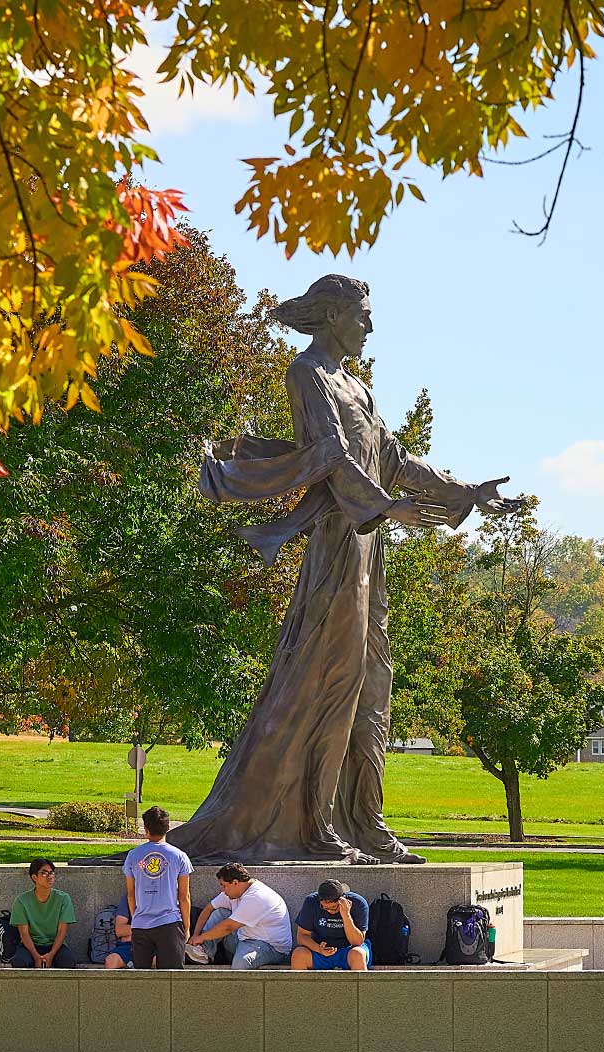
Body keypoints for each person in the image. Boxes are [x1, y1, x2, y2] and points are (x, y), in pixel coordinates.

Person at [166, 275, 526, 864]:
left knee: (371, 683)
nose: (370, 326)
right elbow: (330, 455)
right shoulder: (307, 374)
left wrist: (466, 491)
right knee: (332, 681)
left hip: (368, 547)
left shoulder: (357, 386)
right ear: (332, 316)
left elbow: (394, 459)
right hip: (340, 541)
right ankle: (313, 823)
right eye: (362, 314)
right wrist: (382, 505)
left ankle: (364, 819)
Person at [122, 805, 192, 968]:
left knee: (142, 979)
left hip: (140, 924)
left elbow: (130, 894)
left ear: (146, 829)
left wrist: (136, 918)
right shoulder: (179, 856)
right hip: (169, 924)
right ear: (168, 828)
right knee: (172, 980)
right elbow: (184, 896)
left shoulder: (133, 855)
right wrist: (186, 927)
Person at [187, 863, 293, 969]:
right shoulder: (234, 891)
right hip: (243, 937)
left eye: (224, 886)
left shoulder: (256, 897)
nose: (223, 890)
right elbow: (208, 909)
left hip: (270, 946)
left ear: (235, 883)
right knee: (220, 913)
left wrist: (201, 937)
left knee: (241, 963)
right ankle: (203, 952)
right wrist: (195, 936)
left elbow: (228, 927)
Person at [8, 857, 77, 968]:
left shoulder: (63, 898)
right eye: (44, 873)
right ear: (34, 877)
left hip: (55, 946)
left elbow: (62, 931)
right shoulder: (21, 901)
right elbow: (24, 933)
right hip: (30, 946)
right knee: (19, 962)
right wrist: (36, 957)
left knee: (68, 961)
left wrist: (51, 955)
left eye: (51, 873)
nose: (50, 877)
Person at [290, 878, 370, 971]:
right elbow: (302, 936)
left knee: (358, 954)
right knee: (298, 954)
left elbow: (357, 942)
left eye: (333, 907)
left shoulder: (358, 903)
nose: (329, 911)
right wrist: (318, 949)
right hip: (320, 949)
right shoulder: (311, 902)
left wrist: (346, 916)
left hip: (348, 949)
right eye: (324, 908)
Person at [102, 899, 135, 969]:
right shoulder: (129, 897)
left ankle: (132, 964)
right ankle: (130, 963)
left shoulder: (161, 897)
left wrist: (131, 934)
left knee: (160, 961)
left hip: (152, 946)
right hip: (128, 946)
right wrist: (144, 931)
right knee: (111, 961)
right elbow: (120, 930)